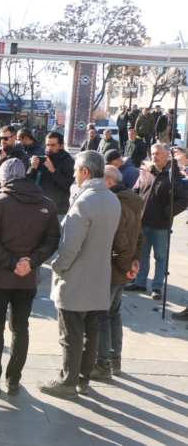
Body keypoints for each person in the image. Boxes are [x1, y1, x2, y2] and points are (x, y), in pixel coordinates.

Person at [36, 151, 121, 399]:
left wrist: (57, 266)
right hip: (99, 277)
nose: (74, 174)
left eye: (75, 170)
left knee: (70, 333)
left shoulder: (85, 201)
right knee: (90, 332)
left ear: (85, 172)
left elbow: (71, 246)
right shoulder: (111, 199)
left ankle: (67, 381)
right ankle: (83, 378)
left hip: (76, 278)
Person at [0, 159, 60, 396]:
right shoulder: (47, 204)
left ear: (3, 178)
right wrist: (30, 262)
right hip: (28, 279)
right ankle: (13, 380)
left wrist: (14, 263)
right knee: (20, 328)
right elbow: (52, 240)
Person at [90, 165, 144, 380]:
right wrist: (135, 262)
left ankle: (103, 364)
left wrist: (127, 266)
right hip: (124, 268)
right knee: (114, 314)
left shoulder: (116, 203)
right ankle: (114, 360)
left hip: (115, 269)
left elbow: (119, 240)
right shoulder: (132, 201)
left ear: (109, 182)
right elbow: (139, 236)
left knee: (104, 316)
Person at [126, 143, 188, 300]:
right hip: (142, 222)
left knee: (160, 257)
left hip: (160, 224)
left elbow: (183, 199)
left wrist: (169, 212)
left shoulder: (174, 176)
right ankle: (140, 282)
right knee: (142, 254)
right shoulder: (146, 172)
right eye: (153, 153)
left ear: (167, 155)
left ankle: (157, 286)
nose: (154, 156)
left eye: (158, 153)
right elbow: (135, 191)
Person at [26, 132, 75, 217]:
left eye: (53, 145)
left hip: (57, 209)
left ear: (61, 145)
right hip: (39, 204)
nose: (49, 148)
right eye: (47, 145)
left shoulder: (68, 161)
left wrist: (53, 170)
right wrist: (33, 168)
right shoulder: (42, 157)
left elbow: (66, 184)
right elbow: (28, 181)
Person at [0, 125, 29, 201]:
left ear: (14, 138)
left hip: (10, 198)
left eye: (6, 138)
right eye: (0, 138)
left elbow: (19, 179)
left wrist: (5, 160)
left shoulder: (22, 156)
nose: (3, 141)